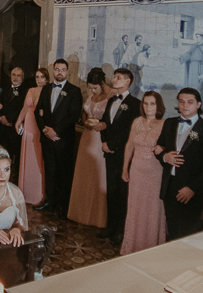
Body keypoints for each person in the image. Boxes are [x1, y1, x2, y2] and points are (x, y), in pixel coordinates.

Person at [156, 87, 203, 239]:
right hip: (170, 185)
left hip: (191, 190)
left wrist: (192, 188)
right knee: (172, 231)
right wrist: (165, 157)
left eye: (190, 102)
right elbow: (158, 148)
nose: (185, 105)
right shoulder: (169, 123)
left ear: (198, 104)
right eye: (181, 101)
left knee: (187, 234)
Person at [120, 91, 168, 254]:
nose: (148, 107)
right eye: (146, 103)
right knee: (135, 207)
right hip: (137, 171)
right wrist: (125, 168)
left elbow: (169, 148)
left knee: (153, 208)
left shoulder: (164, 124)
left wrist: (164, 148)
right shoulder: (137, 122)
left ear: (158, 106)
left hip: (155, 173)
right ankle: (133, 245)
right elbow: (129, 146)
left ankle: (151, 247)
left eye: (152, 104)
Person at [33, 59, 81, 215]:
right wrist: (44, 130)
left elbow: (73, 116)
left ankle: (63, 206)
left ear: (67, 72)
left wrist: (56, 131)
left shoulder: (74, 91)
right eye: (57, 69)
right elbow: (37, 111)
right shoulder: (46, 89)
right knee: (50, 171)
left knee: (63, 172)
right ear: (53, 71)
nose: (60, 72)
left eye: (63, 69)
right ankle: (49, 201)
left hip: (63, 140)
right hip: (47, 138)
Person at [100, 68, 141, 246]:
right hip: (109, 152)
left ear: (127, 82)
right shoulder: (111, 101)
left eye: (118, 78)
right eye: (114, 77)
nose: (114, 80)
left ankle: (121, 231)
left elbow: (129, 131)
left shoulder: (135, 104)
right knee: (111, 191)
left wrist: (112, 144)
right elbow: (104, 123)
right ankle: (111, 226)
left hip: (123, 154)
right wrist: (104, 142)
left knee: (122, 193)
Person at [67, 67, 109, 228]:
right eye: (90, 87)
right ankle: (79, 212)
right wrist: (85, 121)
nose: (92, 90)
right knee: (84, 174)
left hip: (100, 138)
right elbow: (85, 111)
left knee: (97, 175)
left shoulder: (111, 95)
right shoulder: (91, 94)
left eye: (95, 87)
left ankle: (96, 217)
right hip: (87, 136)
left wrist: (101, 124)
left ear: (103, 83)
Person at [16, 68, 48, 205]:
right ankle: (25, 192)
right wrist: (18, 121)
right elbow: (24, 107)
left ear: (47, 79)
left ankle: (38, 194)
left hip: (40, 126)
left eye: (42, 77)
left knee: (38, 158)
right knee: (27, 156)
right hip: (28, 124)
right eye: (37, 77)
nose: (39, 79)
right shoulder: (30, 90)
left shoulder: (49, 91)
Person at [0, 67, 28, 182]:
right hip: (4, 129)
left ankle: (15, 179)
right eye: (14, 74)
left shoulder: (26, 91)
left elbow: (22, 109)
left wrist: (9, 119)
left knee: (17, 155)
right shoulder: (5, 90)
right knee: (4, 153)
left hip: (16, 128)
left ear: (22, 78)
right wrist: (1, 117)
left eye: (18, 75)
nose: (16, 77)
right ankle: (3, 177)